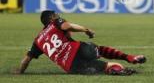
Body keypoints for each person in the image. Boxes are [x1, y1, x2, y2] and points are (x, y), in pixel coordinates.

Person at [15, 10, 146, 75]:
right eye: (56, 15)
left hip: (71, 66)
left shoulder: (38, 41)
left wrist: (19, 73)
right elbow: (66, 26)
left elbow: (25, 61)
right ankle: (130, 58)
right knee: (98, 50)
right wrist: (85, 29)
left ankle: (116, 69)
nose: (58, 16)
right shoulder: (55, 22)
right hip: (79, 49)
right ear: (51, 18)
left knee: (106, 66)